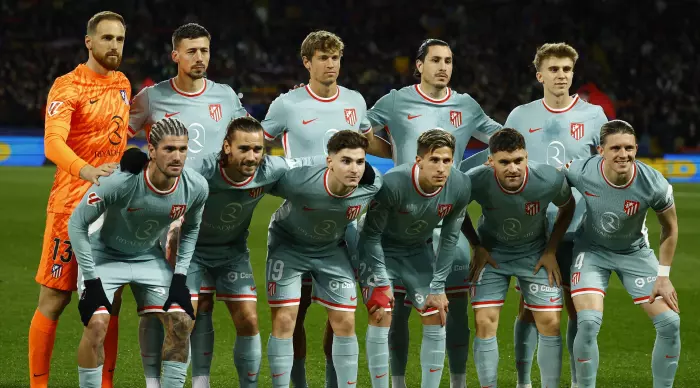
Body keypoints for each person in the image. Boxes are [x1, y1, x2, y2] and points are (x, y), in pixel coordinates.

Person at [366, 38, 502, 388]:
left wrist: (472, 167)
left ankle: (455, 383)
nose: (444, 66)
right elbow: (361, 131)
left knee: (451, 310)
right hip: (402, 213)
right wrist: (393, 146)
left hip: (447, 216)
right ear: (419, 65)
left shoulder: (466, 105)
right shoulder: (395, 101)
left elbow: (499, 140)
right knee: (395, 314)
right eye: (436, 60)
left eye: (449, 60)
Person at [128, 23, 248, 388]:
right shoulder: (151, 97)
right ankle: (153, 381)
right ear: (175, 56)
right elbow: (120, 137)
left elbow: (247, 137)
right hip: (160, 217)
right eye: (191, 51)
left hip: (209, 219)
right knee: (155, 307)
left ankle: (200, 380)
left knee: (201, 303)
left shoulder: (225, 97)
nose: (200, 58)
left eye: (205, 51)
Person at [261, 30, 383, 387]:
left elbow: (367, 143)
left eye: (336, 58)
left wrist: (407, 156)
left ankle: (333, 381)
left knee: (339, 315)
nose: (331, 65)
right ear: (307, 62)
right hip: (300, 210)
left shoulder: (355, 101)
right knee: (292, 315)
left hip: (341, 223)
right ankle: (296, 381)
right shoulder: (287, 104)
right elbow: (258, 140)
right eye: (323, 58)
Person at [495, 43, 608, 388]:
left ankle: (576, 381)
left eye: (567, 69)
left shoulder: (594, 116)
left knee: (577, 309)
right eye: (554, 69)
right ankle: (523, 381)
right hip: (532, 229)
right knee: (530, 308)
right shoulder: (519, 116)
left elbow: (602, 170)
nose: (561, 75)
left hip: (578, 227)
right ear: (539, 74)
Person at [29, 11, 130, 388]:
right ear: (89, 41)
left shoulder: (122, 82)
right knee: (55, 300)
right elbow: (53, 142)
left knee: (110, 302)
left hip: (113, 212)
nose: (114, 46)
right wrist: (86, 170)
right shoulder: (68, 86)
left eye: (119, 39)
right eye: (106, 38)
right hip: (70, 207)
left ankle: (105, 384)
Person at [67, 117, 208, 388]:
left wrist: (180, 277)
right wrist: (91, 279)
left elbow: (191, 230)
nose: (177, 156)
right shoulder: (120, 181)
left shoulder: (196, 187)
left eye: (182, 149)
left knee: (181, 322)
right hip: (104, 255)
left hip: (147, 257)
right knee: (96, 325)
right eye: (169, 149)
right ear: (151, 151)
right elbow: (77, 224)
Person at [564, 120, 680, 387]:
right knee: (589, 321)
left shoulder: (653, 183)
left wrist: (663, 276)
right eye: (615, 148)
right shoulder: (582, 170)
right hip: (591, 251)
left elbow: (670, 228)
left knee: (670, 323)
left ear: (637, 149)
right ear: (600, 150)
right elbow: (548, 179)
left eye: (629, 148)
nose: (623, 154)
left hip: (634, 253)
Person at [264, 130, 381, 387]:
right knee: (285, 319)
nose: (354, 169)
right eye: (346, 161)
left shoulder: (373, 185)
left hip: (330, 249)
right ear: (329, 161)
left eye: (360, 162)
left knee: (346, 320)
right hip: (288, 246)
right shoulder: (298, 180)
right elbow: (258, 182)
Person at [460, 128, 575, 388]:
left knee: (550, 322)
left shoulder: (547, 179)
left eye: (518, 161)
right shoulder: (475, 180)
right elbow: (456, 208)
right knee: (484, 321)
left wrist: (550, 250)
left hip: (534, 253)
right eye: (504, 162)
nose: (513, 168)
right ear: (490, 161)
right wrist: (476, 245)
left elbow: (568, 207)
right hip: (492, 254)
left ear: (526, 157)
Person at [359, 129, 471, 387]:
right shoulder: (394, 183)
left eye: (447, 160)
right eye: (434, 160)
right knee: (381, 312)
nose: (442, 168)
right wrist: (382, 283)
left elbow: (449, 239)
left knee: (436, 312)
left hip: (418, 250)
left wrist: (439, 287)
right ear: (418, 160)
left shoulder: (461, 185)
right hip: (381, 251)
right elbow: (371, 235)